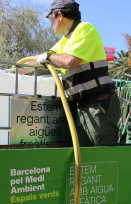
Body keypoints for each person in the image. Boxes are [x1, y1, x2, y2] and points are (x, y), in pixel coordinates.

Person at [24, 0, 120, 147]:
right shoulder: (64, 41)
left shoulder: (85, 29)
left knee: (104, 156)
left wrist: (49, 57)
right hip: (81, 107)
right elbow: (39, 58)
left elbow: (69, 61)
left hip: (98, 104)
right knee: (85, 158)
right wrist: (14, 69)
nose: (51, 24)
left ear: (59, 15)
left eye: (51, 19)